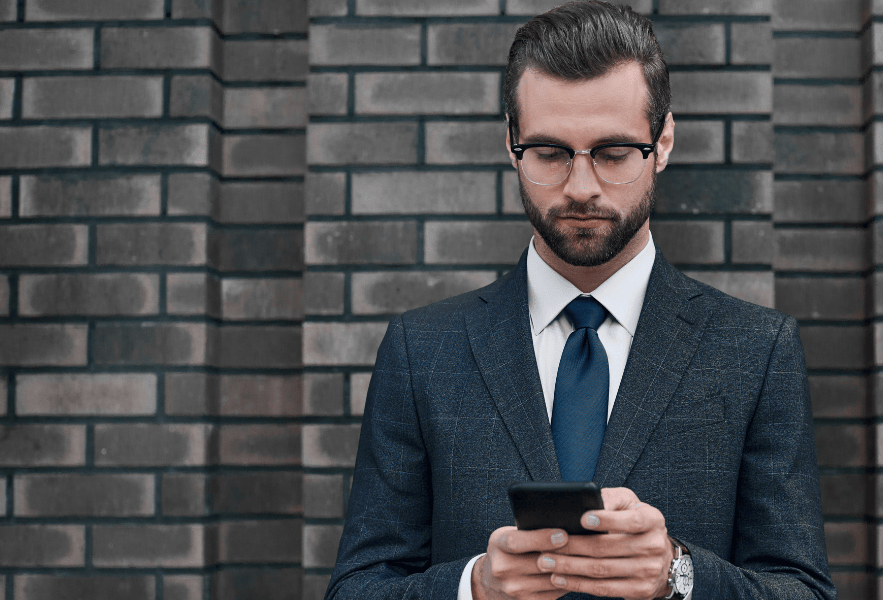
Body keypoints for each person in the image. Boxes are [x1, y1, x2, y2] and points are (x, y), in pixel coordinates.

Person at [325, 2, 834, 599]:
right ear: (511, 143)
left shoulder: (755, 350)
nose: (581, 187)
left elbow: (803, 591)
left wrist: (678, 575)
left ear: (663, 141)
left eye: (614, 153)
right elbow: (358, 589)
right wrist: (475, 587)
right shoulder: (421, 351)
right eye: (550, 153)